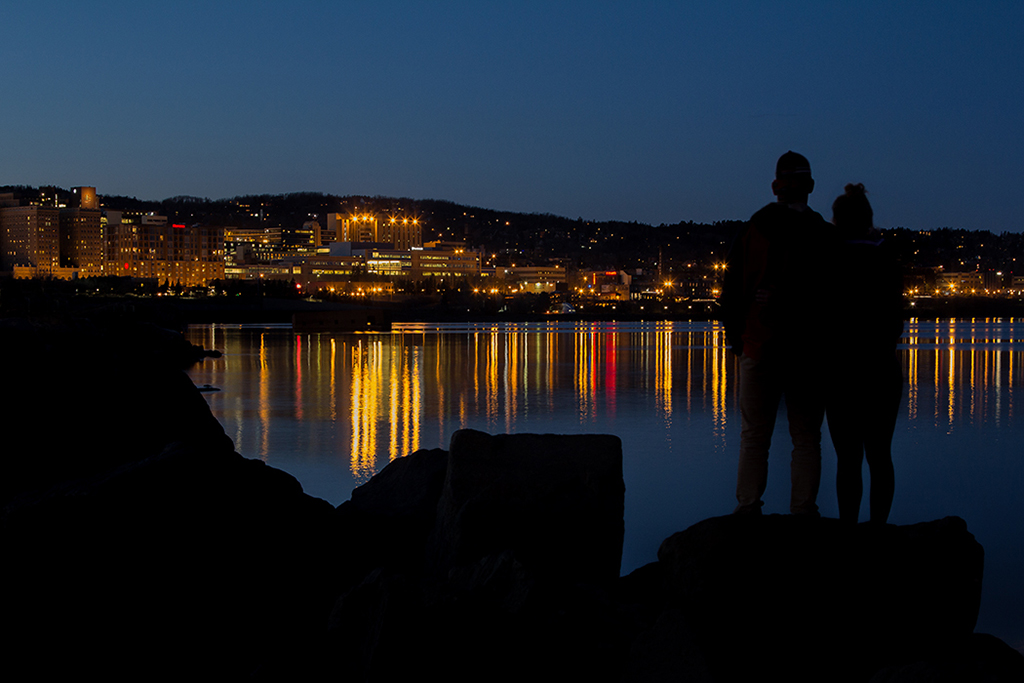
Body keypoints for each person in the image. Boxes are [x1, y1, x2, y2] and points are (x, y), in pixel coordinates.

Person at [720, 151, 834, 515]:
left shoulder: (755, 228)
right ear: (811, 187)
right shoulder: (824, 235)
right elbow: (833, 295)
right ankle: (803, 509)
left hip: (759, 344)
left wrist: (737, 339)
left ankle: (748, 506)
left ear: (775, 186)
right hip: (808, 351)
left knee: (754, 436)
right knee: (806, 438)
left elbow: (732, 289)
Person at [824, 183, 903, 523]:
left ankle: (848, 529)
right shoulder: (885, 255)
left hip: (842, 370)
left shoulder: (830, 256)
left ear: (837, 220)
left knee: (848, 458)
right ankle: (879, 528)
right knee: (880, 455)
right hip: (882, 368)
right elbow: (895, 318)